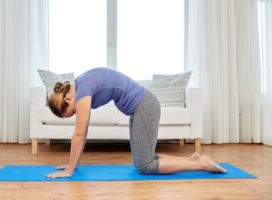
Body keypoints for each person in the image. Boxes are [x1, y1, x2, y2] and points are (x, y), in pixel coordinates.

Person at [45, 67, 226, 178]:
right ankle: (192, 159)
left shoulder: (83, 90)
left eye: (71, 112)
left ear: (67, 99)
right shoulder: (82, 83)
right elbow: (82, 133)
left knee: (145, 166)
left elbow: (79, 133)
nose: (75, 114)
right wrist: (72, 164)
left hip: (144, 106)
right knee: (143, 160)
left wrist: (70, 171)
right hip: (140, 108)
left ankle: (201, 165)